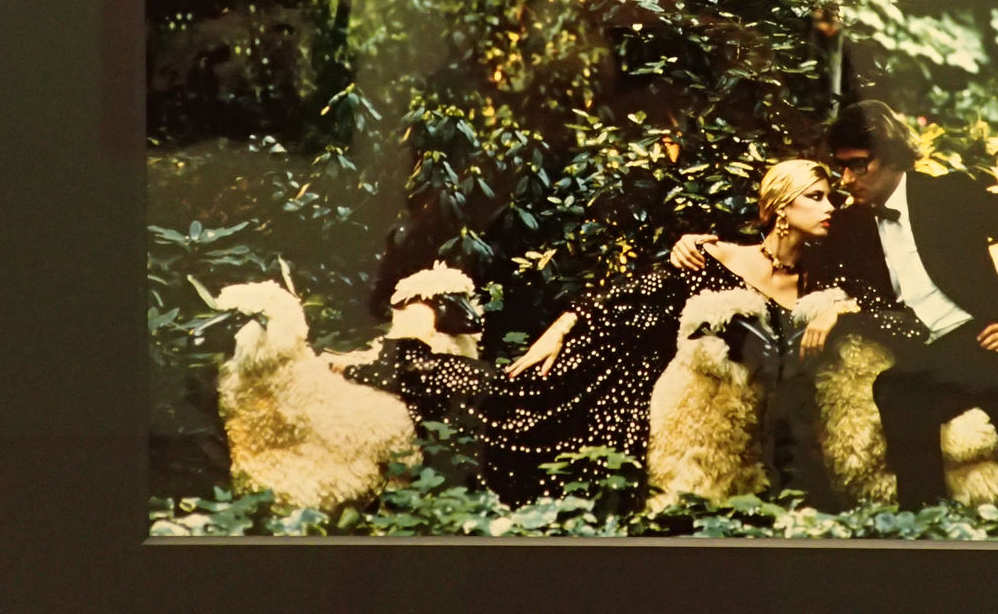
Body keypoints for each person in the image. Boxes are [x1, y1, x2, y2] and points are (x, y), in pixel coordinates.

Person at [345, 159, 859, 507]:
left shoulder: (817, 283)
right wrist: (559, 330)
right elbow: (623, 297)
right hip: (622, 364)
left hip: (696, 401)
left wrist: (836, 311)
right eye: (815, 197)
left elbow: (865, 308)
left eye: (830, 198)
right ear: (781, 207)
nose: (830, 207)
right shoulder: (715, 254)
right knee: (516, 402)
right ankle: (392, 364)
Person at [671, 100, 998, 509]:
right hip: (932, 353)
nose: (847, 179)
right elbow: (785, 244)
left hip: (989, 335)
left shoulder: (950, 195)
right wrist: (701, 245)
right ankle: (922, 518)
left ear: (891, 158)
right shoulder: (850, 224)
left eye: (859, 166)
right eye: (842, 167)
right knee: (896, 390)